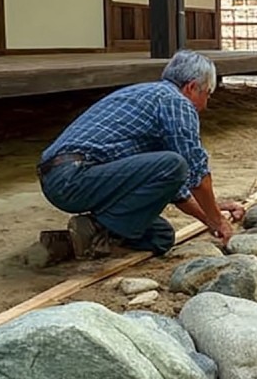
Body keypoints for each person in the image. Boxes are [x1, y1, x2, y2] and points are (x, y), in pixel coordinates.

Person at [37, 50, 244, 258]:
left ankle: (71, 243)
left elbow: (177, 190)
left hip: (60, 177)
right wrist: (218, 220)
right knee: (175, 164)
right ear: (191, 87)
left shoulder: (147, 95)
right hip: (72, 177)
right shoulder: (176, 101)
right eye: (207, 94)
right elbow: (195, 172)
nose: (206, 105)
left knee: (160, 236)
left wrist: (209, 215)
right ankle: (96, 230)